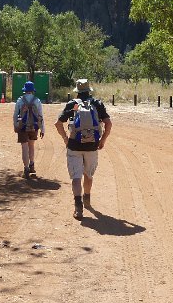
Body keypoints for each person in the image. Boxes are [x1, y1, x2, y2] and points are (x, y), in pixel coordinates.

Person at [54, 79, 112, 220]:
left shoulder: (72, 104)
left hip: (74, 145)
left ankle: (78, 207)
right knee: (88, 175)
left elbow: (58, 123)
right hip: (92, 146)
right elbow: (108, 123)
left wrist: (66, 140)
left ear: (77, 92)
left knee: (76, 177)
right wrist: (102, 140)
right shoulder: (97, 104)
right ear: (89, 90)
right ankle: (87, 198)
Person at [13, 80, 45, 177]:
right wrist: (42, 129)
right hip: (34, 126)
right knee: (31, 146)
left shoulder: (20, 100)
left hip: (22, 127)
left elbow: (15, 115)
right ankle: (32, 165)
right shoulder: (37, 100)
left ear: (24, 90)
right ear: (32, 90)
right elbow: (41, 115)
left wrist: (15, 125)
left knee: (24, 147)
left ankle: (26, 169)